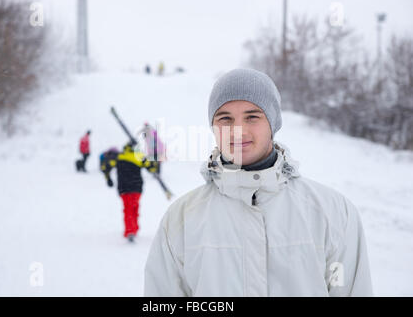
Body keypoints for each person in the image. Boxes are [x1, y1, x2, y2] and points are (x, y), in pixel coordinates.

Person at [144, 68, 373, 296]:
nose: (238, 131)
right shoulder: (181, 219)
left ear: (272, 123)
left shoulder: (332, 212)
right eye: (225, 118)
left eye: (252, 117)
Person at [101, 142, 158, 242]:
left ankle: (130, 231)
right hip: (137, 187)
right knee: (134, 207)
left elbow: (106, 167)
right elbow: (152, 168)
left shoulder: (120, 157)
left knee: (128, 208)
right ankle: (134, 229)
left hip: (124, 188)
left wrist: (108, 178)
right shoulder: (139, 157)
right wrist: (154, 160)